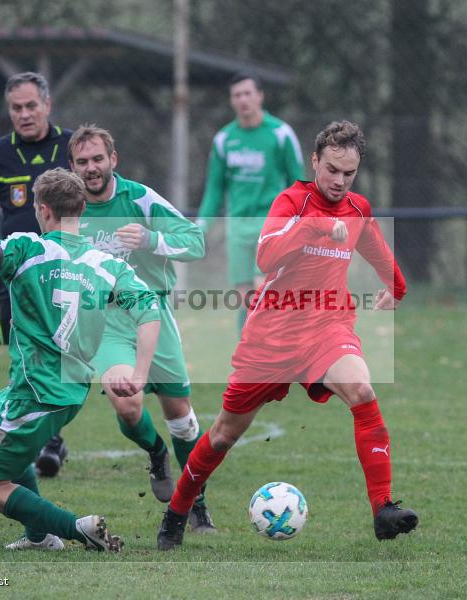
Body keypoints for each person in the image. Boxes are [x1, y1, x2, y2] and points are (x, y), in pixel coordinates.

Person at [157, 121, 418, 550]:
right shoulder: (291, 202)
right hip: (272, 337)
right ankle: (178, 509)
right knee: (223, 434)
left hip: (326, 328)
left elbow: (374, 247)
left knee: (363, 391)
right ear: (314, 161)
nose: (338, 181)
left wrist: (397, 288)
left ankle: (383, 509)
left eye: (348, 173)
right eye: (332, 169)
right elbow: (266, 253)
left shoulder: (356, 209)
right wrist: (315, 226)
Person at [0, 162, 161, 552]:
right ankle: (37, 536)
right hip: (70, 392)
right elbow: (149, 309)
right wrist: (139, 373)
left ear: (43, 210)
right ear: (82, 210)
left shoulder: (26, 248)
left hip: (36, 392)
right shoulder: (107, 264)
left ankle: (74, 529)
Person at [68, 124, 216, 533]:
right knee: (127, 402)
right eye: (82, 162)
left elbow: (196, 242)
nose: (91, 168)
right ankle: (155, 452)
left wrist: (151, 239)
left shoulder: (140, 198)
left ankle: (197, 501)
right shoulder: (70, 207)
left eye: (98, 159)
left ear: (113, 160)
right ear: (73, 166)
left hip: (153, 312)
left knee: (181, 417)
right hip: (107, 322)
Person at [0, 71, 75, 476]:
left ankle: (51, 436)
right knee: (21, 348)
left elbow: (99, 192)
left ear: (48, 105)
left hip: (64, 270)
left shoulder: (71, 147)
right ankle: (40, 431)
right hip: (14, 269)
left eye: (31, 106)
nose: (24, 114)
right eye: (16, 108)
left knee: (57, 347)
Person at [196, 72, 304, 334]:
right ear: (231, 101)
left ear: (260, 96)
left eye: (247, 93)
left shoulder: (280, 134)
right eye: (237, 95)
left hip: (272, 223)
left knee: (262, 288)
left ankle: (277, 351)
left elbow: (298, 183)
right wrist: (202, 225)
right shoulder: (224, 139)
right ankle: (247, 357)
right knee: (244, 297)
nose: (243, 99)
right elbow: (215, 189)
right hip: (238, 227)